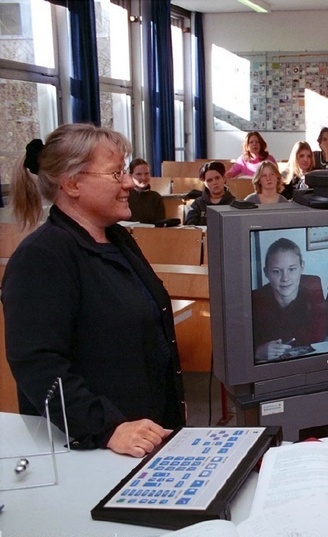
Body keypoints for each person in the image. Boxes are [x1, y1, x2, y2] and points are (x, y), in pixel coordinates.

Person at [3, 124, 185, 457]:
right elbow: (38, 364)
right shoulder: (42, 256)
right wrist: (107, 427)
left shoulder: (118, 239)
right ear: (71, 183)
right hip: (97, 446)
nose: (129, 182)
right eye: (116, 174)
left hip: (145, 436)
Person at [251, 238, 327, 362]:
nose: (285, 278)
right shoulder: (255, 300)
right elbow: (238, 347)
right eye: (276, 271)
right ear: (266, 273)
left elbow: (319, 335)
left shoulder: (313, 289)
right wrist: (257, 351)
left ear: (302, 267)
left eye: (292, 269)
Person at [185, 161, 236, 226]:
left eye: (217, 178)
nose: (214, 182)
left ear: (224, 179)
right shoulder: (198, 204)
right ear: (204, 183)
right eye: (209, 180)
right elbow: (190, 229)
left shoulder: (235, 204)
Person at [127, 158, 165, 224]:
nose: (143, 178)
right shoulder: (124, 196)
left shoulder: (156, 197)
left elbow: (160, 223)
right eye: (138, 174)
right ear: (130, 176)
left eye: (146, 174)